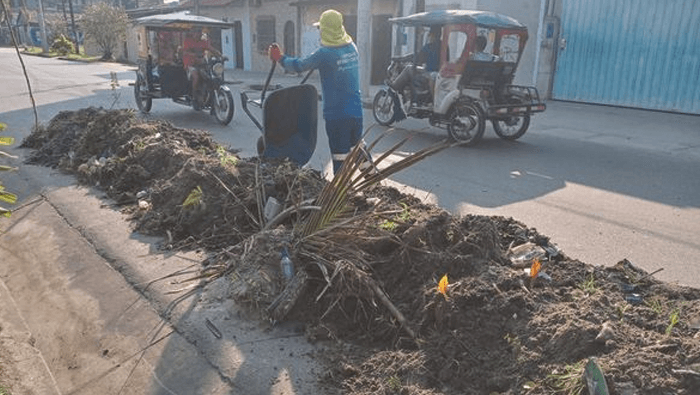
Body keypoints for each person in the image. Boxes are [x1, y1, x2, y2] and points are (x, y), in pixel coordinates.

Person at [268, 9, 363, 175]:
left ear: (326, 30)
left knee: (340, 158)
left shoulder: (324, 54)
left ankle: (341, 196)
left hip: (337, 116)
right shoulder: (352, 48)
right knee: (358, 150)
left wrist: (279, 57)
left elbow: (298, 66)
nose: (319, 33)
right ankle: (374, 185)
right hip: (356, 112)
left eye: (321, 30)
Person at [183, 27, 221, 107]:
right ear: (193, 33)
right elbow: (185, 51)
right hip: (190, 64)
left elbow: (212, 49)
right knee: (196, 76)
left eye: (199, 32)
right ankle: (194, 96)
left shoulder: (203, 42)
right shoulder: (188, 41)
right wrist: (194, 55)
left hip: (202, 64)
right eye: (196, 32)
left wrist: (221, 55)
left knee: (212, 75)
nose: (198, 34)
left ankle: (208, 93)